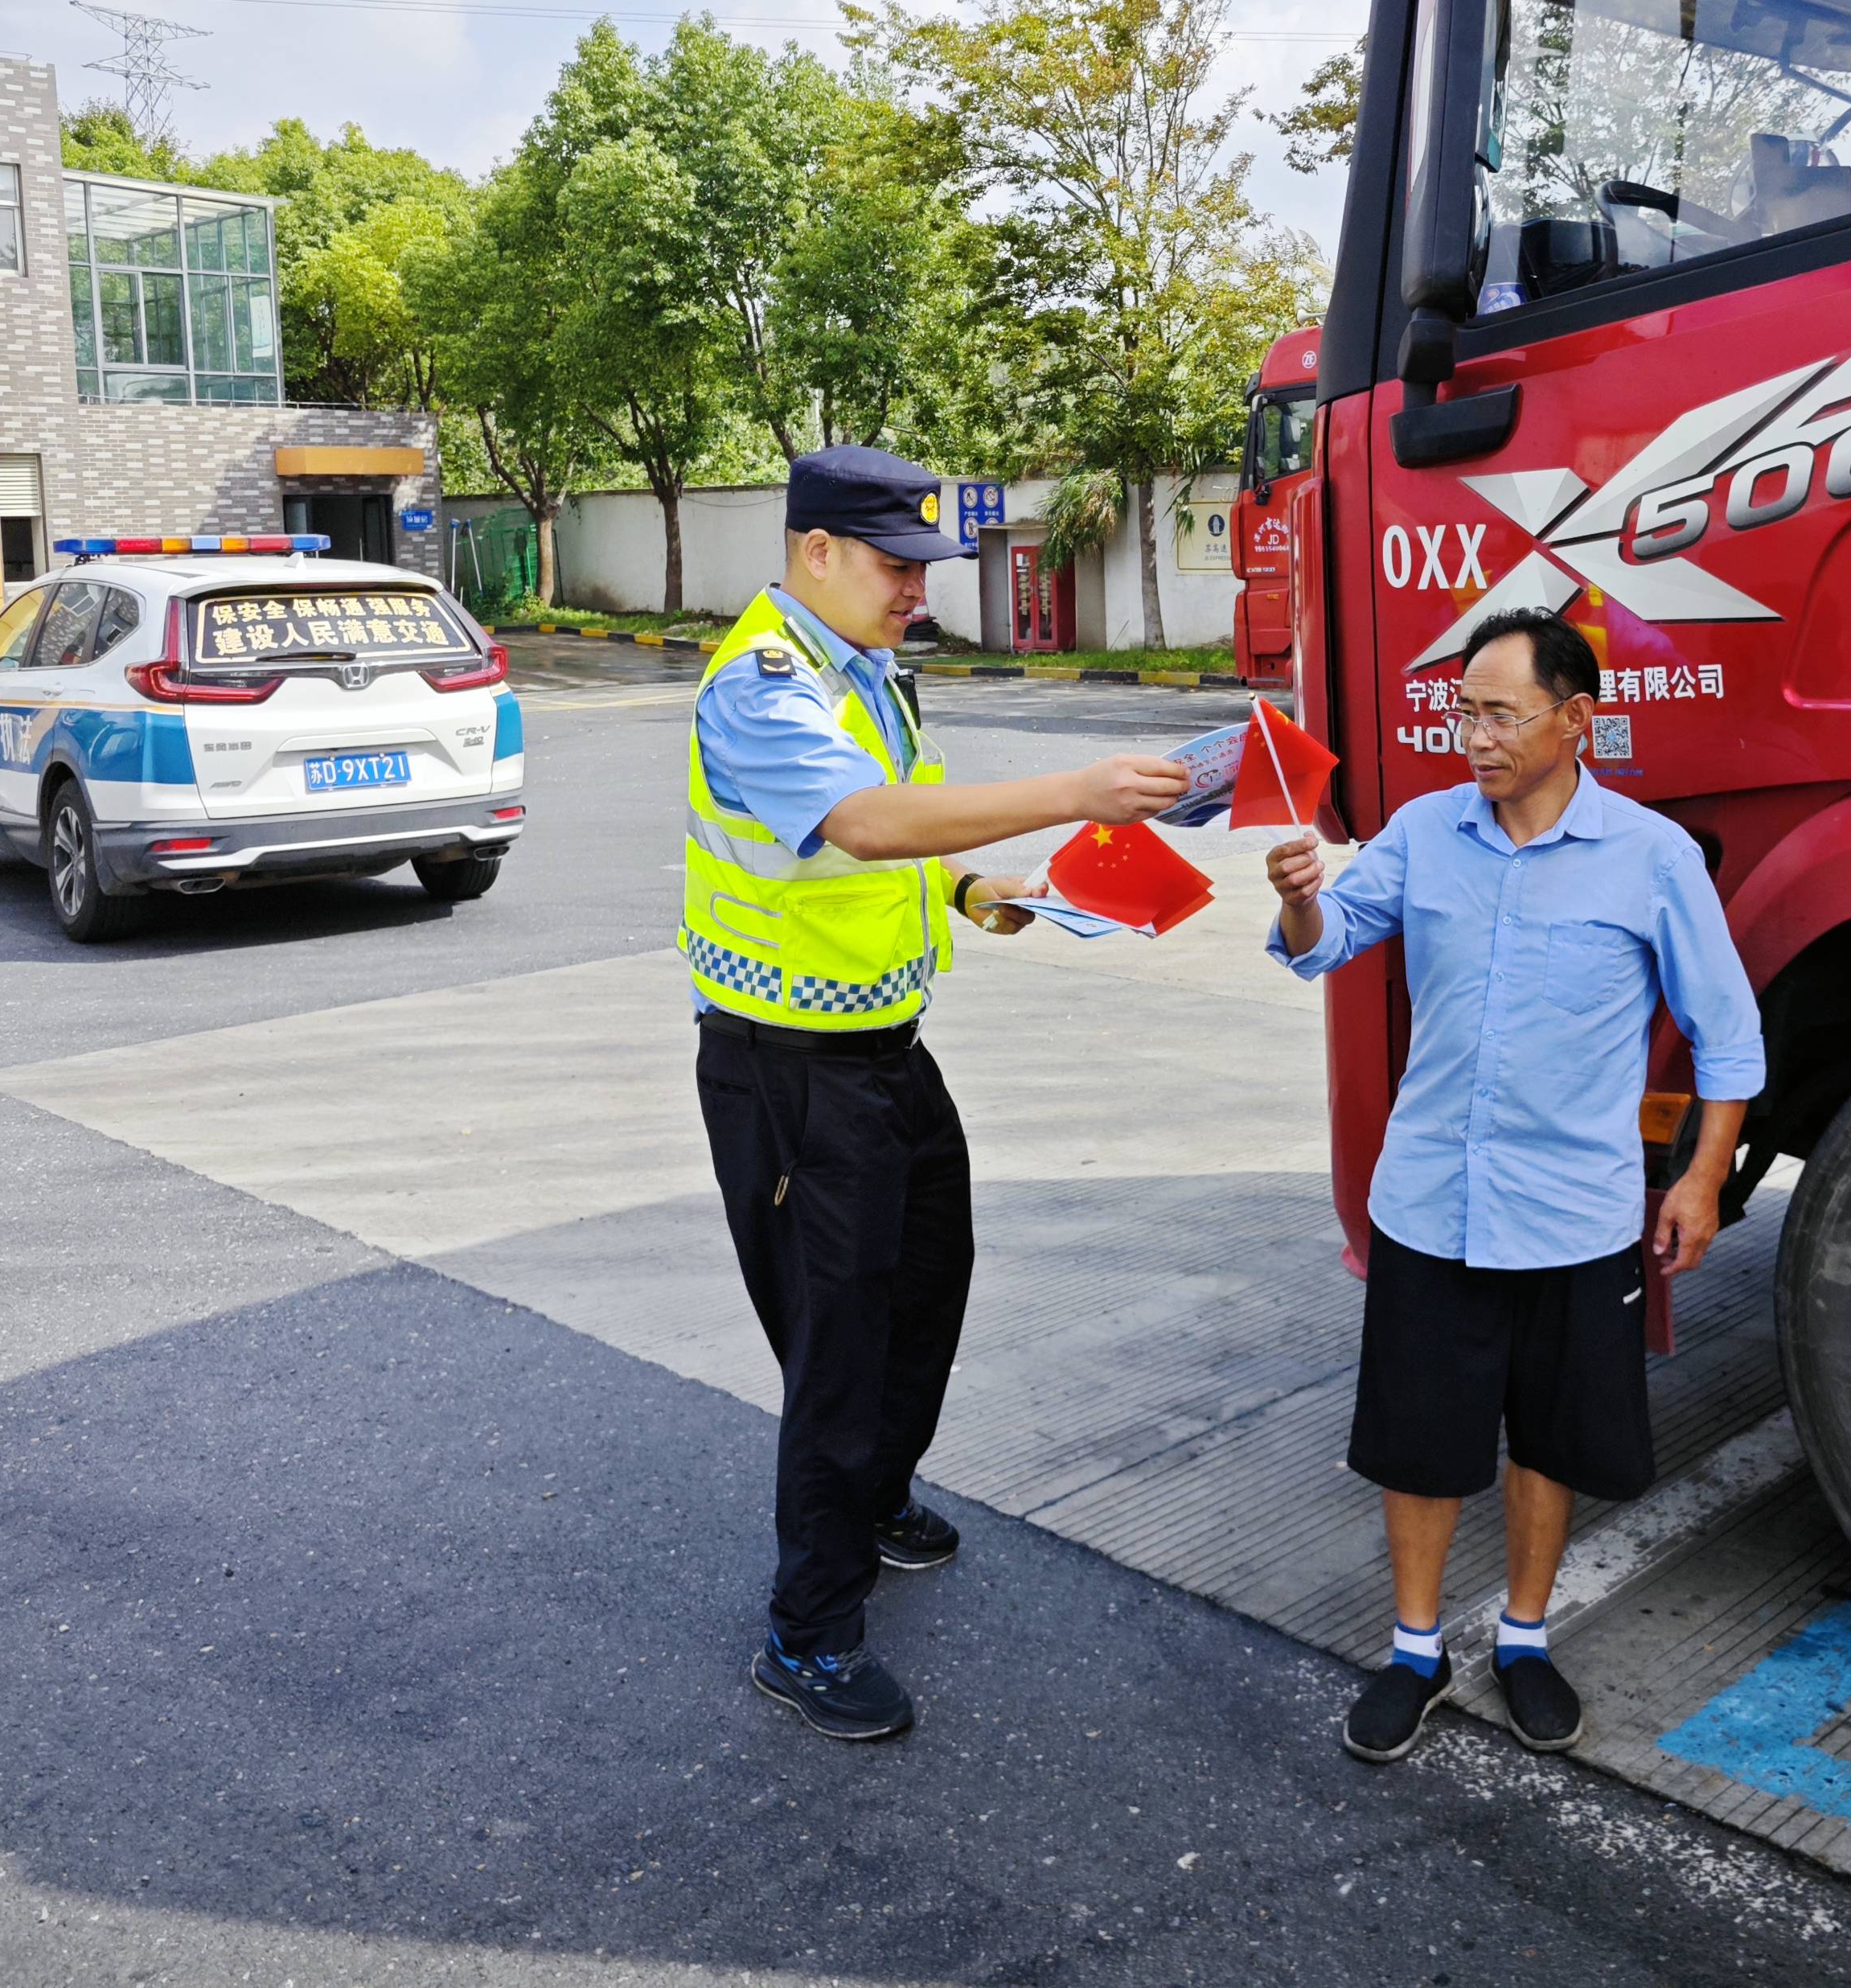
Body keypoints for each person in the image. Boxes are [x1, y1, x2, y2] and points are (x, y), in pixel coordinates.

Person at [690, 443, 1191, 1744]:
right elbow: (858, 821)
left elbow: (893, 837)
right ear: (815, 554)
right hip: (790, 1070)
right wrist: (1077, 791)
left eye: (925, 568)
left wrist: (973, 890)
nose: (919, 591)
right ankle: (809, 1632)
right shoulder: (762, 683)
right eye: (896, 566)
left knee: (929, 1281)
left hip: (884, 1052)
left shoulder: (865, 671)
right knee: (839, 1346)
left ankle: (874, 1495)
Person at [1263, 606, 1763, 1765]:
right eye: (1463, 713)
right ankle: (1414, 1650)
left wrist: (1700, 1180)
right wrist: (1298, 894)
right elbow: (1325, 941)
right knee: (1418, 1439)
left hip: (1575, 1213)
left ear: (1575, 719)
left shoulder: (1650, 856)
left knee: (1548, 1438)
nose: (1474, 738)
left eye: (1500, 714)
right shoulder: (1425, 832)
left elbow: (1728, 1037)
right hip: (1430, 1198)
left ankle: (1525, 1640)